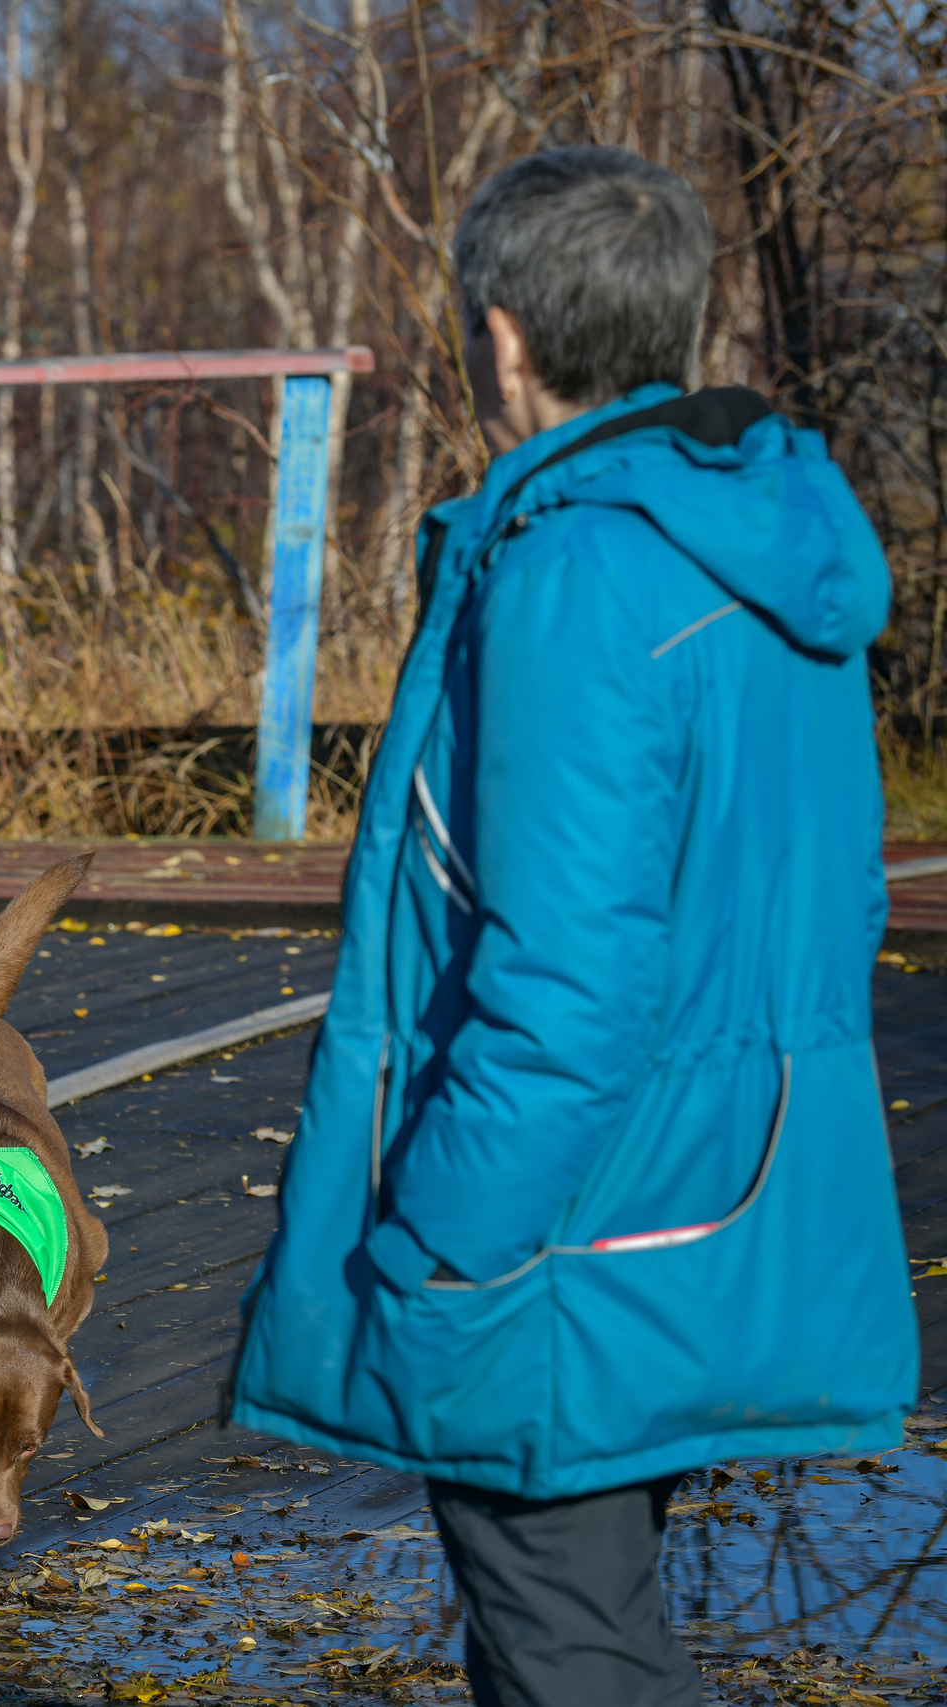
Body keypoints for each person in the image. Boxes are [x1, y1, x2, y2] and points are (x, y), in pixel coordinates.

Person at [228, 147, 914, 1705]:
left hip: (562, 1217)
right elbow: (839, 892)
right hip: (720, 1185)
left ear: (506, 334)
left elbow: (567, 976)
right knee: (588, 1615)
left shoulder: (579, 571)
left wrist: (437, 1245)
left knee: (567, 1640)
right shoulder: (764, 537)